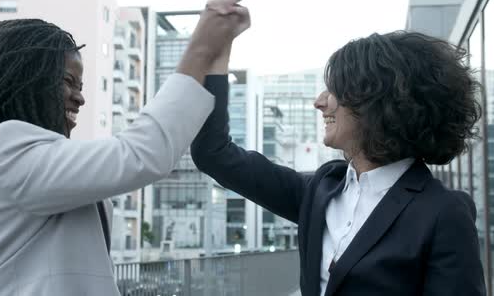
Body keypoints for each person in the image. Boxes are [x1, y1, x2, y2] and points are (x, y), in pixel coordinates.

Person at [0, 0, 250, 296]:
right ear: (24, 83)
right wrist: (201, 49)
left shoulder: (32, 154)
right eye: (68, 82)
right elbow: (142, 153)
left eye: (81, 85)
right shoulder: (7, 147)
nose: (80, 97)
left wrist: (216, 53)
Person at [191, 31, 486, 296]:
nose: (319, 102)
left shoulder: (442, 213)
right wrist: (217, 53)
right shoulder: (320, 189)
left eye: (333, 92)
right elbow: (213, 153)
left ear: (376, 104)